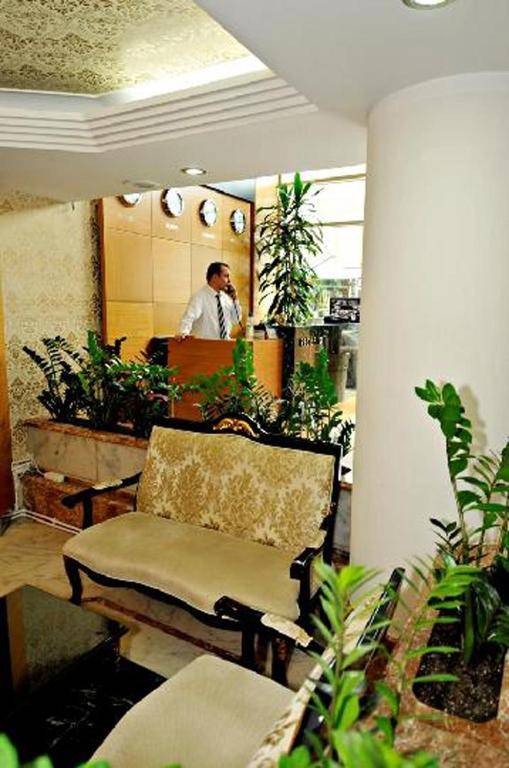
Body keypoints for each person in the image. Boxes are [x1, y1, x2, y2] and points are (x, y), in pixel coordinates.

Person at [177, 262, 242, 340]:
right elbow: (189, 317)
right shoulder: (200, 296)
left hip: (225, 344)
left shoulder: (227, 298)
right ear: (215, 277)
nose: (229, 281)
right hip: (206, 345)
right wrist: (183, 332)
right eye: (226, 276)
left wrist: (235, 299)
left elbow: (236, 320)